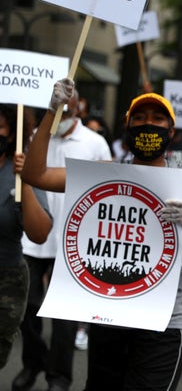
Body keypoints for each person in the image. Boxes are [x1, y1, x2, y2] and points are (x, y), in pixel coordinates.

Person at [21, 79, 182, 391]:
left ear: (171, 131)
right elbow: (35, 174)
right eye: (139, 119)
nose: (147, 125)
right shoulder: (101, 176)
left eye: (157, 119)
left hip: (164, 323)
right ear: (127, 128)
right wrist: (52, 112)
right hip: (110, 316)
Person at [14, 88, 112, 391]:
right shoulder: (32, 139)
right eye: (58, 99)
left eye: (69, 99)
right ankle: (34, 362)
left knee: (65, 319)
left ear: (79, 105)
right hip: (34, 239)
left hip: (72, 242)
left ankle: (59, 377)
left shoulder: (95, 144)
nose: (64, 104)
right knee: (26, 309)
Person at [0, 104, 53, 369]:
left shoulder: (20, 172)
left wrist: (26, 181)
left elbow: (40, 233)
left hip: (6, 281)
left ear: (12, 134)